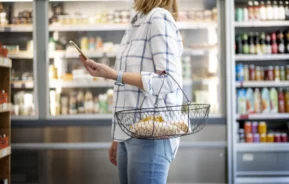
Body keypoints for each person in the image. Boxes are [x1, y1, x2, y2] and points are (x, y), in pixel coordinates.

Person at [79, 0, 183, 183]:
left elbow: (170, 81)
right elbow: (128, 91)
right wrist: (118, 137)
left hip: (152, 133)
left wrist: (114, 74)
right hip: (130, 132)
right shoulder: (136, 22)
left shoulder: (158, 17)